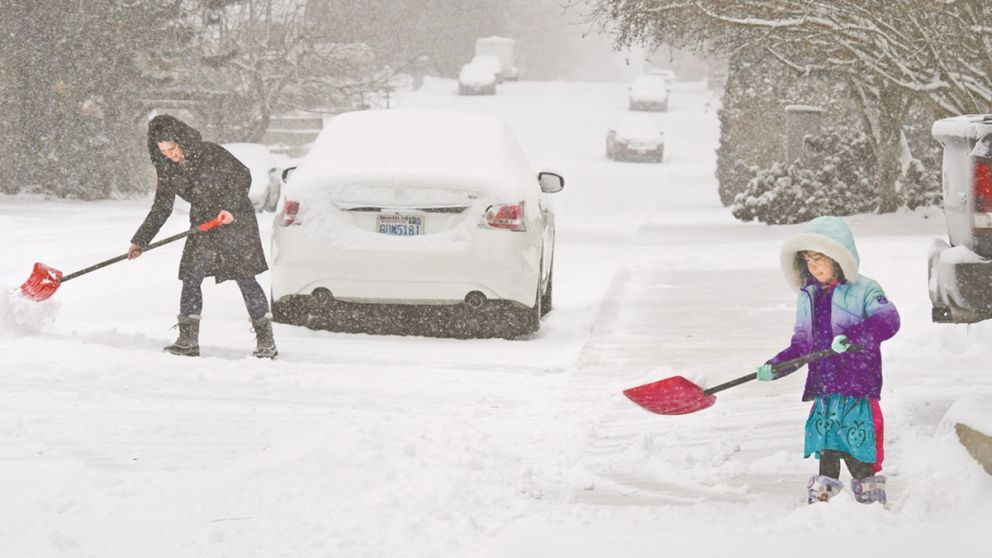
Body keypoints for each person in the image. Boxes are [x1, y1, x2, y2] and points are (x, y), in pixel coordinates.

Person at [756, 216, 899, 505]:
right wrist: (777, 365)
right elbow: (802, 344)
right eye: (808, 260)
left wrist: (854, 337)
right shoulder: (808, 295)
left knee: (856, 448)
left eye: (819, 258)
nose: (813, 266)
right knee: (827, 446)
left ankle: (871, 502)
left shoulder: (864, 289)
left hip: (856, 385)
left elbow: (889, 321)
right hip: (825, 385)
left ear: (838, 257)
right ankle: (823, 503)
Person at [128, 114, 277, 359]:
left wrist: (229, 208)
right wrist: (141, 240)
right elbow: (161, 207)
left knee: (245, 277)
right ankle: (187, 341)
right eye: (164, 151)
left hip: (234, 219)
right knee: (191, 276)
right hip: (204, 223)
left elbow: (243, 176)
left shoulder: (210, 153)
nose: (170, 154)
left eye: (173, 148)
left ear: (182, 141)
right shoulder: (167, 168)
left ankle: (266, 342)